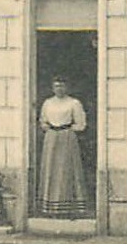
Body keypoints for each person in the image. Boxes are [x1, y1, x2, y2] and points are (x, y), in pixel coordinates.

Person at [37, 77, 89, 218]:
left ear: (67, 87)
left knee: (66, 170)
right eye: (56, 86)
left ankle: (69, 207)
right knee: (51, 169)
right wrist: (49, 129)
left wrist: (69, 130)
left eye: (62, 86)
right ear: (52, 88)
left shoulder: (73, 103)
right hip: (51, 137)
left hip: (67, 137)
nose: (59, 89)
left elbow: (81, 123)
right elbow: (43, 121)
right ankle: (50, 207)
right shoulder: (48, 103)